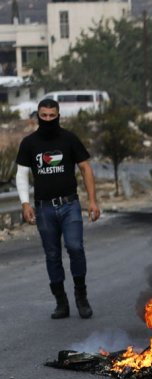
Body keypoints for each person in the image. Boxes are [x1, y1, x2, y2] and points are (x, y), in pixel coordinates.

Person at [17, 98, 100, 319]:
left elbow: (85, 168)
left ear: (58, 115)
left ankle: (81, 298)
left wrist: (92, 201)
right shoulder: (29, 143)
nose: (47, 119)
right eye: (43, 116)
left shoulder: (69, 139)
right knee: (52, 254)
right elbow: (22, 174)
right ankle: (61, 303)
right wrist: (25, 204)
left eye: (52, 116)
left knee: (75, 247)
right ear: (37, 115)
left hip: (70, 205)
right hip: (43, 209)